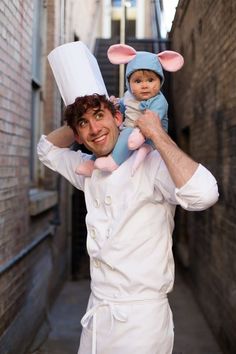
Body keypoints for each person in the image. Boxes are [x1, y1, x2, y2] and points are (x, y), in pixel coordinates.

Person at [37, 93, 219, 354]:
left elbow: (205, 193)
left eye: (100, 116)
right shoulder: (90, 169)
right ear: (77, 135)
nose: (95, 128)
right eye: (84, 123)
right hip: (97, 314)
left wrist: (156, 133)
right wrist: (79, 113)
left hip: (141, 321)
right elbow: (46, 150)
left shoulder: (152, 164)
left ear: (119, 118)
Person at [93, 44, 184, 175]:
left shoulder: (159, 101)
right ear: (128, 83)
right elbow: (123, 108)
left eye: (151, 80)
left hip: (150, 135)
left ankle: (113, 162)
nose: (145, 85)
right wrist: (115, 105)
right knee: (110, 136)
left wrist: (140, 134)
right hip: (131, 131)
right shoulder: (128, 96)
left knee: (126, 134)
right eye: (138, 81)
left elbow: (151, 121)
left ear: (160, 81)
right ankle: (92, 162)